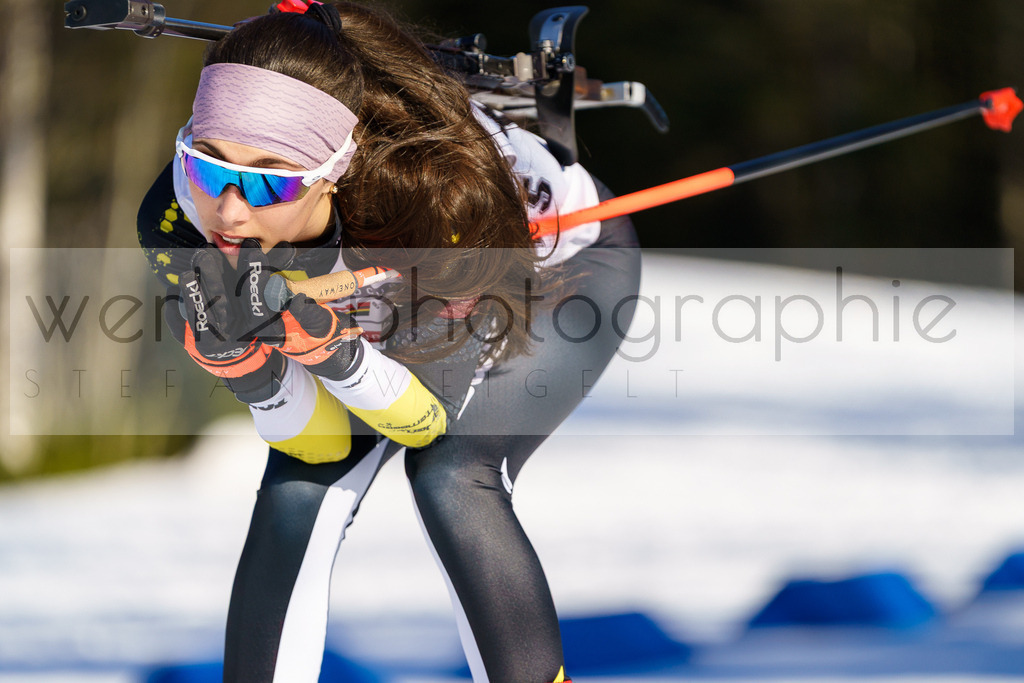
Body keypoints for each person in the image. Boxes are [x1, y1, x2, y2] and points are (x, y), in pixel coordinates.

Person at [136, 2, 641, 681]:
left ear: (334, 168)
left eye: (267, 180)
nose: (228, 210)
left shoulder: (429, 201)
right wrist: (253, 373)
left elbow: (421, 416)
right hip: (384, 279)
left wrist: (328, 349)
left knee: (452, 474)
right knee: (300, 485)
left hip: (559, 264)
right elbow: (314, 443)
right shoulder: (177, 217)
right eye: (207, 164)